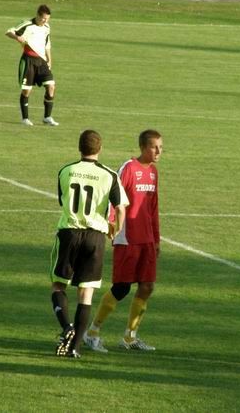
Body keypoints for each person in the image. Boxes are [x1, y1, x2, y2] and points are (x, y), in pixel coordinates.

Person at [50, 129, 128, 358]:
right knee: (86, 293)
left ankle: (67, 327)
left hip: (69, 233)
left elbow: (63, 200)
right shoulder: (109, 175)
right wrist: (115, 229)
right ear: (100, 148)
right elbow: (120, 208)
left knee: (58, 285)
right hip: (95, 237)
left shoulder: (66, 171)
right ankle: (75, 348)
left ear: (79, 147)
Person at [83, 129, 163, 352]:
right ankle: (92, 332)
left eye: (161, 148)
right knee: (122, 288)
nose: (158, 151)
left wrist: (156, 238)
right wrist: (111, 225)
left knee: (147, 287)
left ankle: (130, 337)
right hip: (127, 238)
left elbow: (153, 207)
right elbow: (114, 198)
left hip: (147, 239)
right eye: (154, 147)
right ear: (143, 147)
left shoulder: (153, 172)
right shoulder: (128, 168)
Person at [5, 4, 59, 127]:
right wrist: (17, 37)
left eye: (47, 19)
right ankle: (25, 119)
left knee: (51, 86)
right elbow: (8, 32)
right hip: (28, 60)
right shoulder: (27, 25)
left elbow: (47, 44)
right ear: (37, 15)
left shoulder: (46, 27)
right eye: (43, 18)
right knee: (26, 91)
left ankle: (47, 117)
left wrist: (49, 60)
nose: (45, 21)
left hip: (42, 61)